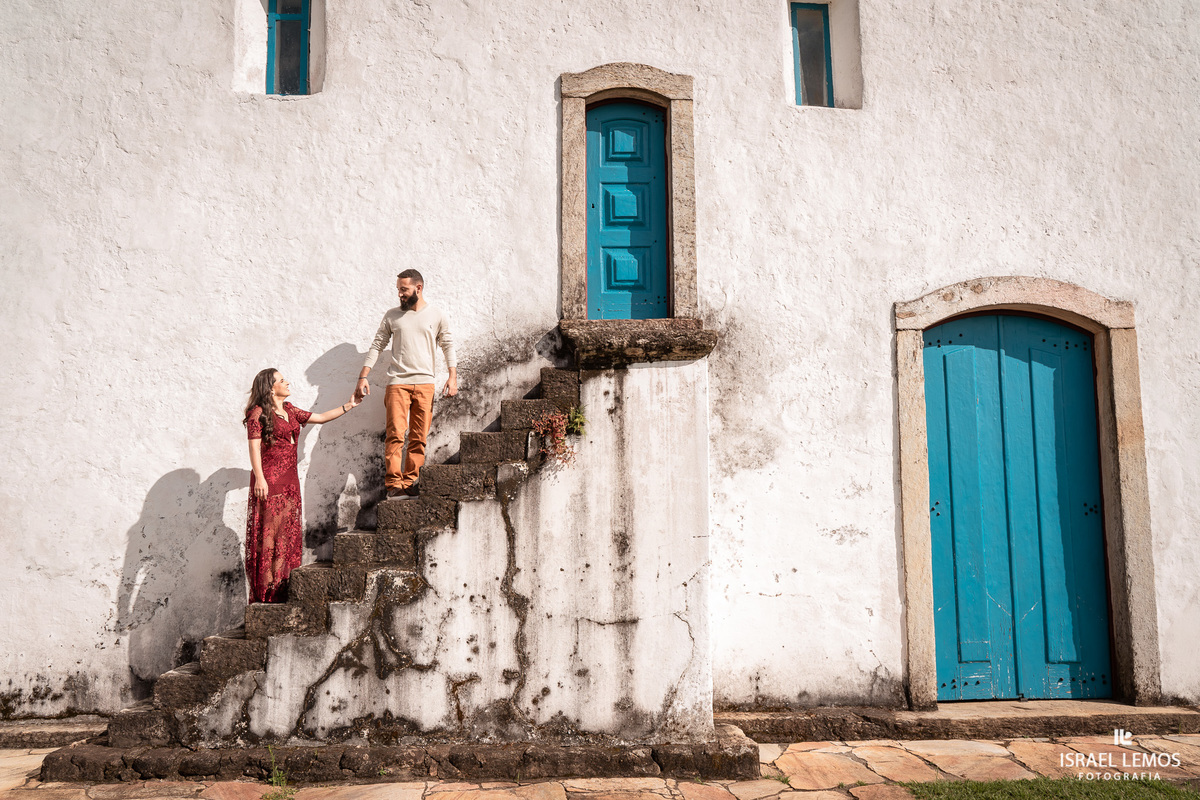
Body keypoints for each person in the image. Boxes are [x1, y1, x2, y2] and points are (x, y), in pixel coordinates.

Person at [243, 368, 359, 603]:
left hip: (289, 480)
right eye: (281, 380)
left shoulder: (290, 410)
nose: (287, 382)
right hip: (270, 480)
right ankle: (267, 592)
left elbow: (321, 417)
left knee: (286, 533)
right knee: (270, 534)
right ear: (270, 387)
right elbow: (254, 448)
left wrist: (349, 405)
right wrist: (260, 478)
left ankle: (281, 586)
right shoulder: (257, 414)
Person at [355, 269, 457, 498]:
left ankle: (411, 482)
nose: (400, 294)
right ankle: (394, 486)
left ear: (418, 288)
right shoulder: (392, 316)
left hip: (425, 384)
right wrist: (363, 376)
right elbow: (377, 345)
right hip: (397, 383)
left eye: (404, 289)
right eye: (398, 290)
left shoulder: (437, 314)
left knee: (419, 437)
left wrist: (452, 376)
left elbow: (448, 345)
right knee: (395, 435)